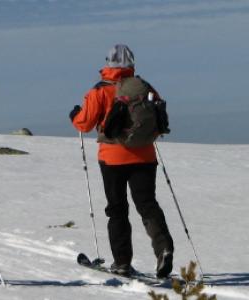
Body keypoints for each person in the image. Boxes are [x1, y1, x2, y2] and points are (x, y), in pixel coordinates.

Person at [70, 44, 174, 278]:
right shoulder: (145, 88)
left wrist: (74, 114)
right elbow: (157, 119)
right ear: (131, 64)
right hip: (145, 155)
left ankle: (122, 262)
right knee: (147, 204)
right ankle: (164, 248)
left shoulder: (100, 91)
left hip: (112, 158)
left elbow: (83, 124)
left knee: (117, 210)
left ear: (108, 64)